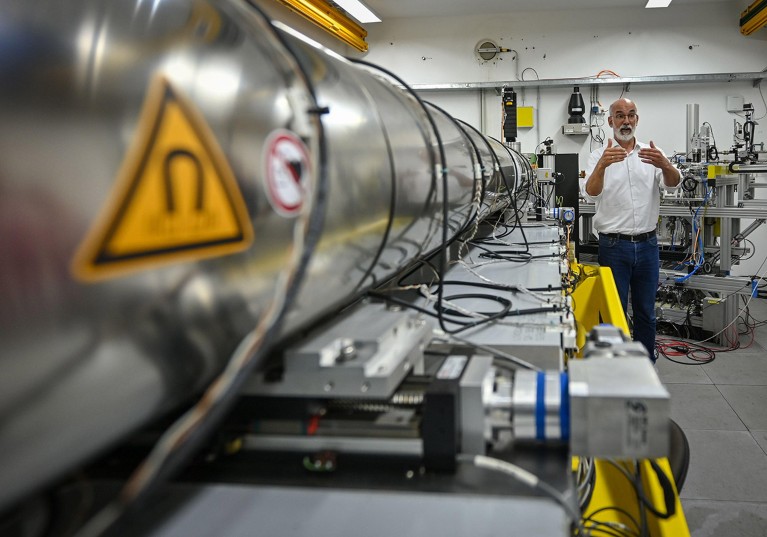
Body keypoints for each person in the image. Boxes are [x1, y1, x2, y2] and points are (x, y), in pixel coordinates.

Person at [580, 98, 681, 361]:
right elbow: (591, 193)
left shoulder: (651, 153)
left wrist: (666, 165)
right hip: (613, 246)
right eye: (620, 115)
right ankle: (616, 367)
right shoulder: (597, 156)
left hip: (647, 246)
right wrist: (602, 165)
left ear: (637, 120)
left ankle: (646, 364)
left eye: (631, 115)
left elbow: (673, 184)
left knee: (646, 312)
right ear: (610, 121)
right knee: (612, 311)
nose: (626, 121)